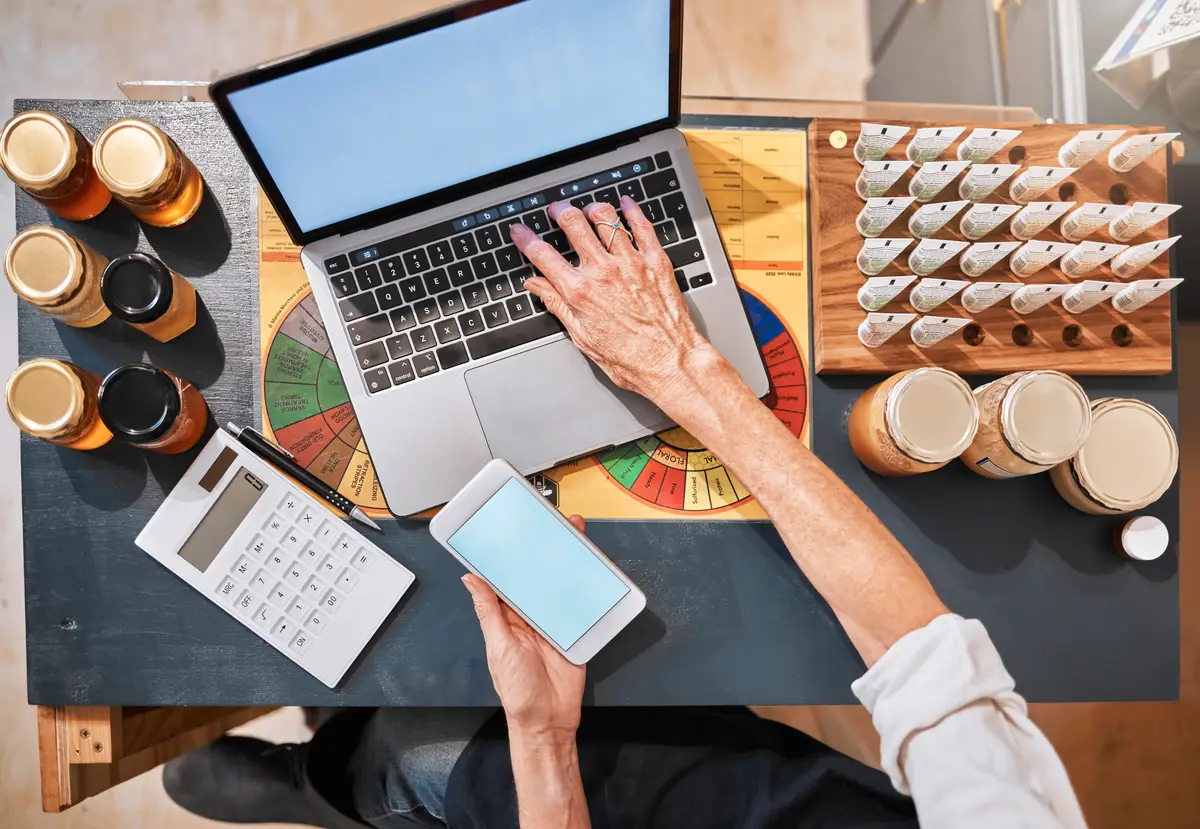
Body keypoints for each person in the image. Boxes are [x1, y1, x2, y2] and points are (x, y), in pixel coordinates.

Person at [165, 197, 1088, 829]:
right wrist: (682, 368)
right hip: (747, 789)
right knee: (665, 722)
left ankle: (326, 781)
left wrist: (541, 735)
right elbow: (922, 656)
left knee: (420, 749)